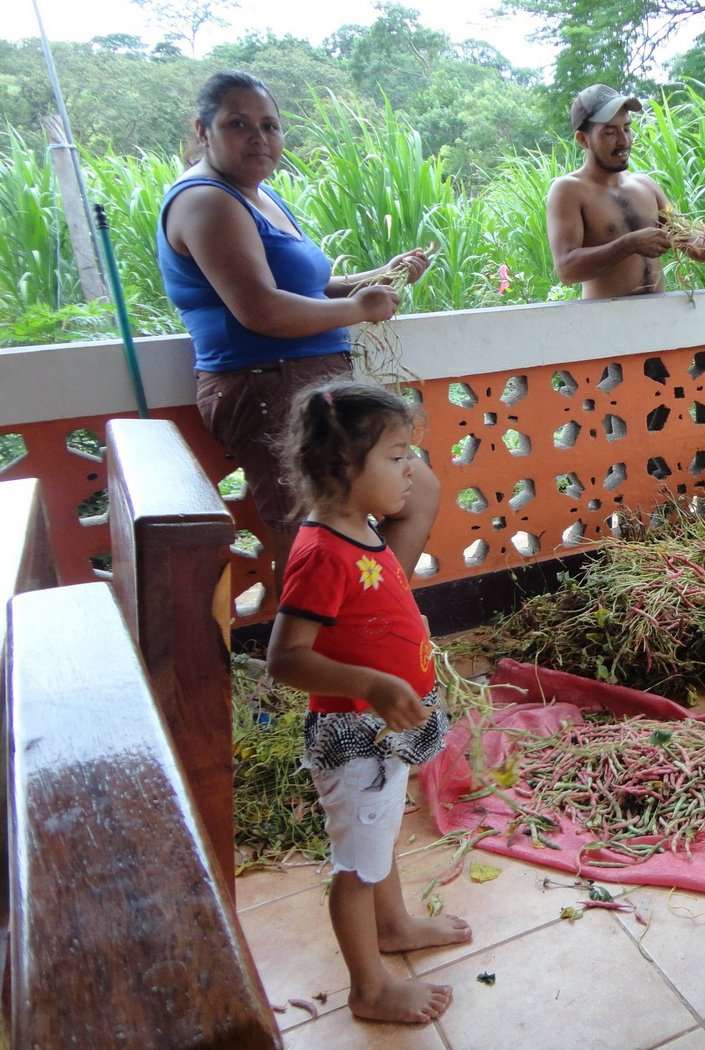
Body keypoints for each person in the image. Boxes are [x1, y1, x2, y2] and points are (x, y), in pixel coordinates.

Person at [157, 70, 440, 590]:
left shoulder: (256, 195)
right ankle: (321, 638)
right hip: (268, 385)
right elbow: (262, 310)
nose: (258, 137)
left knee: (414, 493)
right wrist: (360, 309)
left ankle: (371, 617)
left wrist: (376, 276)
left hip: (312, 384)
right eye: (238, 124)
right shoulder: (207, 201)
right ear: (203, 130)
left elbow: (308, 287)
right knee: (312, 534)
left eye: (269, 125)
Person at [265, 380, 469, 1024]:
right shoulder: (323, 553)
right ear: (342, 467)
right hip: (355, 738)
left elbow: (367, 614)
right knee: (355, 866)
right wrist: (374, 685)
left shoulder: (357, 529)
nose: (411, 469)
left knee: (378, 838)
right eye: (397, 456)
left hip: (379, 734)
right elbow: (285, 658)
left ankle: (395, 925)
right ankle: (369, 989)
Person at [546, 83, 705, 298]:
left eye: (626, 128)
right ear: (583, 139)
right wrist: (629, 244)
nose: (624, 140)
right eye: (610, 132)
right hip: (606, 317)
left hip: (658, 315)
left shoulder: (646, 186)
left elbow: (689, 242)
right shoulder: (569, 190)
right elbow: (566, 270)